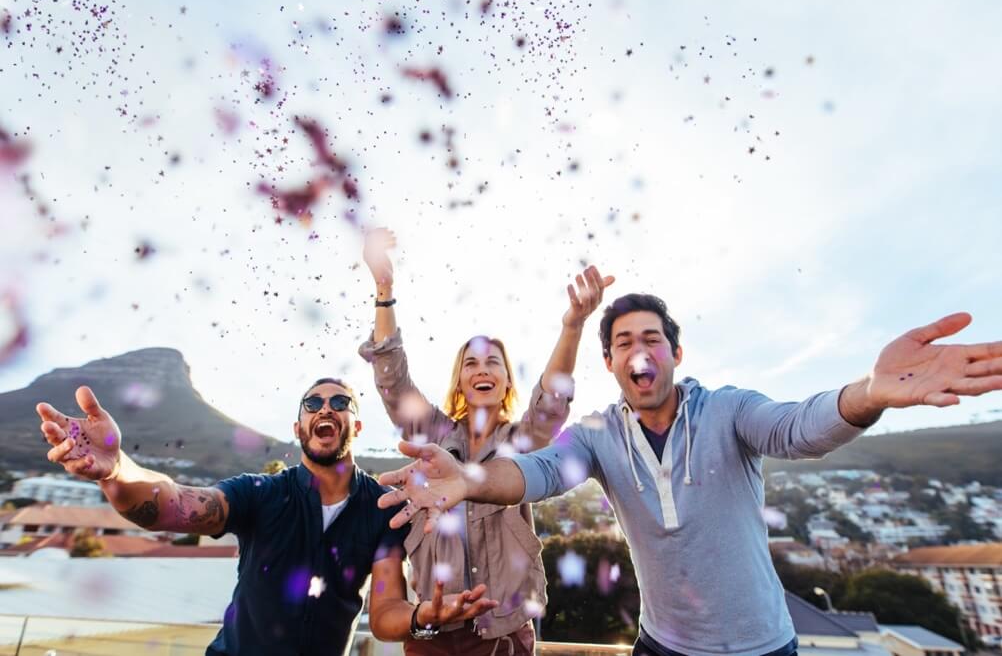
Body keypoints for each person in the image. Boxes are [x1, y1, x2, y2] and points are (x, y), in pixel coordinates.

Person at [376, 295, 1002, 656]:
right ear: (611, 362)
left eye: (653, 338)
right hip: (660, 647)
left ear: (676, 353)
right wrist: (472, 481)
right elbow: (539, 472)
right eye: (624, 342)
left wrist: (867, 393)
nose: (640, 351)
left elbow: (797, 427)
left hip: (762, 648)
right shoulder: (599, 435)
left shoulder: (728, 409)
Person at [37, 378, 497, 656]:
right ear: (298, 427)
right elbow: (173, 504)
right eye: (313, 404)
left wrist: (423, 616)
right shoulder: (259, 493)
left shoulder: (381, 508)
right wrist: (118, 470)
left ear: (355, 427)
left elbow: (385, 613)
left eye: (341, 404)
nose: (325, 409)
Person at [357, 227, 614, 655]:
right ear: (460, 380)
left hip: (505, 638)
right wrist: (384, 290)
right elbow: (392, 380)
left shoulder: (522, 441)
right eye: (471, 363)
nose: (483, 369)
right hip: (431, 635)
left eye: (493, 362)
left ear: (507, 380)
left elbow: (552, 402)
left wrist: (573, 324)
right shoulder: (431, 436)